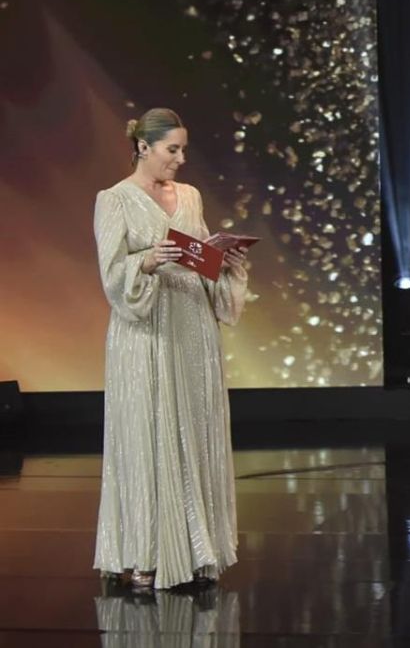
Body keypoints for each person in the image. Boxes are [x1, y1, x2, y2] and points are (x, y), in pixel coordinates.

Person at [93, 108, 250, 590]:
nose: (180, 159)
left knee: (194, 430)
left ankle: (199, 550)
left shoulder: (189, 196)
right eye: (172, 149)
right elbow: (111, 272)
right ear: (143, 146)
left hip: (190, 325)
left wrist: (224, 261)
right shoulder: (113, 200)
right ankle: (143, 551)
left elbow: (199, 253)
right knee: (146, 432)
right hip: (145, 331)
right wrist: (146, 261)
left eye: (183, 149)